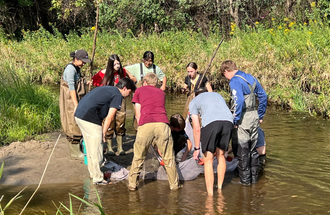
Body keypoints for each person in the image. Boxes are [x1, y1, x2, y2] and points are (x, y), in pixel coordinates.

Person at [74, 78, 136, 185]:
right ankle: (98, 179)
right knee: (97, 149)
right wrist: (103, 134)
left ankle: (93, 174)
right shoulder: (117, 95)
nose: (129, 95)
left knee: (90, 148)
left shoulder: (110, 89)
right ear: (124, 88)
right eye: (129, 92)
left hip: (79, 115)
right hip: (89, 118)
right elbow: (109, 118)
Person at [128, 73, 180, 191]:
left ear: (145, 82)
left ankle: (132, 184)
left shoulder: (139, 90)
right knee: (169, 157)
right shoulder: (161, 93)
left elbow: (137, 113)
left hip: (146, 123)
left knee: (138, 157)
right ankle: (174, 185)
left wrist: (140, 128)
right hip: (162, 124)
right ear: (156, 83)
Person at [220, 60, 267, 185]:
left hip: (243, 118)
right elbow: (263, 96)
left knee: (243, 151)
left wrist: (235, 120)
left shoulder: (234, 81)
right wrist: (260, 114)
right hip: (254, 116)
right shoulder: (251, 78)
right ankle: (254, 180)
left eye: (224, 75)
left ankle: (245, 182)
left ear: (226, 71)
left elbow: (238, 101)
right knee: (253, 150)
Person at [189, 88, 233, 195]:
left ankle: (210, 194)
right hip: (228, 122)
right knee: (220, 156)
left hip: (211, 124)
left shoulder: (194, 101)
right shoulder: (217, 95)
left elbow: (197, 127)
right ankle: (220, 188)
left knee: (208, 160)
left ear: (195, 95)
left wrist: (196, 148)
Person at [92, 54, 136, 156]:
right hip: (108, 100)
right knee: (109, 121)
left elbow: (132, 80)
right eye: (115, 64)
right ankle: (110, 147)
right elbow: (95, 81)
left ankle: (120, 147)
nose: (117, 65)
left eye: (118, 63)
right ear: (111, 64)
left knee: (121, 120)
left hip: (121, 99)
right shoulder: (104, 73)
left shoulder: (123, 71)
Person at [59, 49, 91, 160]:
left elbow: (78, 81)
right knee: (73, 123)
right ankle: (74, 151)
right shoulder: (69, 70)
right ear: (76, 59)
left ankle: (80, 147)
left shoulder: (77, 68)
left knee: (80, 121)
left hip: (77, 98)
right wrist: (76, 104)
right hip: (70, 100)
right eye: (82, 61)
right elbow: (71, 89)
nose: (84, 63)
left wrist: (85, 82)